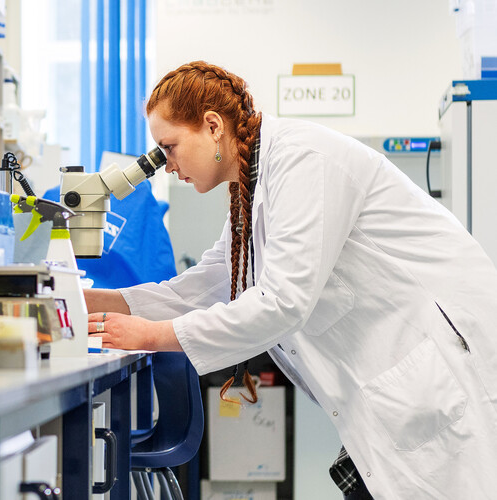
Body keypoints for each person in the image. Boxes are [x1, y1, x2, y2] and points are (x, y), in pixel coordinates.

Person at [84, 61, 497, 499]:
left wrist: (155, 335)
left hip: (437, 368)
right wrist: (91, 302)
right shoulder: (252, 185)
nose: (165, 165)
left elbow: (283, 302)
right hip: (397, 385)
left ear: (212, 126)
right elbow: (208, 282)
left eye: (169, 147)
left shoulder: (302, 160)